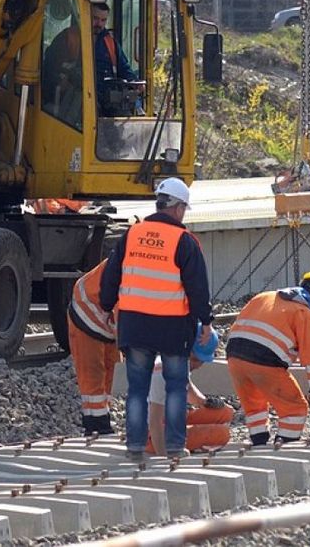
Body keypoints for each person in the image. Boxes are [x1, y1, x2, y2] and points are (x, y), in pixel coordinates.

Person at [99, 176, 213, 462]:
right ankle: (174, 447)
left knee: (138, 389)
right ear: (178, 208)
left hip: (135, 326)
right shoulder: (184, 241)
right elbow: (198, 287)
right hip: (172, 327)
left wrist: (106, 306)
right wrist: (206, 321)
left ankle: (135, 448)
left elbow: (111, 274)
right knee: (175, 388)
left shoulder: (132, 234)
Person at [225, 270, 310, 446]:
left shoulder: (264, 297)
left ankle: (259, 445)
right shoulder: (303, 312)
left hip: (234, 358)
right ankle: (284, 445)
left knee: (255, 408)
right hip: (264, 361)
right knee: (295, 409)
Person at [147, 324, 232, 456]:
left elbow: (191, 394)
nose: (198, 366)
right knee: (222, 434)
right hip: (152, 435)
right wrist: (165, 454)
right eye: (195, 359)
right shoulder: (162, 374)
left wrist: (207, 402)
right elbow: (154, 422)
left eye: (202, 361)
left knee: (225, 412)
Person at [67, 258, 119, 435]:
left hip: (106, 314)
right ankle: (96, 424)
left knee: (111, 370)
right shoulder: (132, 272)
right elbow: (125, 318)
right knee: (93, 373)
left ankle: (101, 418)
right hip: (86, 312)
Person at [90, 2, 141, 116]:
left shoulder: (110, 42)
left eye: (103, 20)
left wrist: (134, 82)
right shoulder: (72, 38)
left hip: (107, 97)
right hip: (80, 95)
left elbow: (123, 67)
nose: (99, 24)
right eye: (95, 18)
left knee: (125, 115)